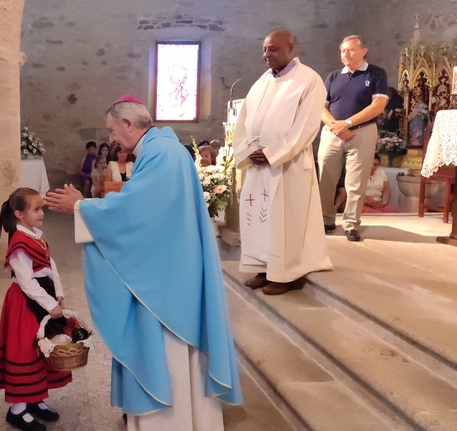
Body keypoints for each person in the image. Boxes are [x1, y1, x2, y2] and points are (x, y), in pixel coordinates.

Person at [45, 95, 242, 430]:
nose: (111, 139)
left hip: (166, 280)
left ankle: (170, 422)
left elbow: (138, 213)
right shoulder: (161, 149)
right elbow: (144, 206)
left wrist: (82, 208)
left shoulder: (162, 153)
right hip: (171, 265)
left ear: (128, 123)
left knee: (168, 352)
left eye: (112, 130)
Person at [232, 29, 333, 295]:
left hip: (287, 166)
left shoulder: (309, 80)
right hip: (257, 165)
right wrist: (246, 150)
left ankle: (289, 275)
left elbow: (307, 126)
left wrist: (273, 152)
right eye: (264, 49)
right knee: (261, 220)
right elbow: (243, 122)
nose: (267, 54)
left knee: (285, 223)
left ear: (290, 48)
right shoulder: (262, 81)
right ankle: (264, 269)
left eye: (273, 49)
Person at [0, 187, 73, 431]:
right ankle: (17, 409)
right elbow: (26, 282)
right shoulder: (18, 242)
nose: (42, 213)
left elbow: (51, 266)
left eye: (41, 208)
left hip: (44, 298)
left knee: (42, 349)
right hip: (26, 304)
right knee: (25, 350)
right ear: (19, 214)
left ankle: (35, 398)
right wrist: (49, 304)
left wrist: (59, 294)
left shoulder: (36, 235)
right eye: (36, 209)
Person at [318, 35, 389, 242]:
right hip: (333, 132)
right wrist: (336, 126)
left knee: (356, 181)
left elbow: (378, 106)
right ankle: (325, 220)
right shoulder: (333, 76)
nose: (345, 54)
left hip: (362, 131)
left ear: (363, 51)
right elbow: (321, 107)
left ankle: (351, 224)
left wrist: (348, 123)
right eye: (342, 51)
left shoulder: (375, 73)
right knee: (325, 178)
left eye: (350, 50)